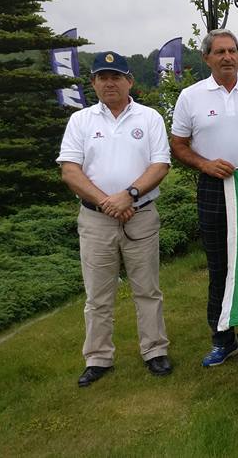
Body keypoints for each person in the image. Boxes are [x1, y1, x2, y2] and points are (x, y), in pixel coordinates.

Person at [57, 51, 172, 387]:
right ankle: (98, 357)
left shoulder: (149, 118)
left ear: (129, 81)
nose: (109, 83)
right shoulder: (81, 121)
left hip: (140, 215)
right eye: (102, 77)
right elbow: (69, 170)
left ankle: (154, 350)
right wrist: (108, 201)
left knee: (148, 289)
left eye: (116, 76)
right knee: (97, 295)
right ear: (93, 82)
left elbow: (160, 165)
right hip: (95, 219)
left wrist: (129, 195)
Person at [171, 29, 238, 367]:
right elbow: (178, 144)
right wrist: (203, 163)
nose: (228, 57)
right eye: (220, 52)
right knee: (219, 266)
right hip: (213, 187)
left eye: (232, 51)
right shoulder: (191, 96)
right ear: (207, 58)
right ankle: (222, 339)